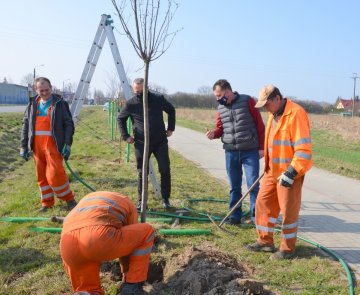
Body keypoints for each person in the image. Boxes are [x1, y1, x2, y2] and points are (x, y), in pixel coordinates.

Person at [246, 85, 312, 260]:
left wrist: (291, 172)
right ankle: (265, 241)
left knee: (288, 212)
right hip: (271, 172)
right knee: (263, 203)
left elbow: (304, 149)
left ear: (277, 99)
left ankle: (287, 249)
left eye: (266, 104)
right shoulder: (272, 114)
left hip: (289, 175)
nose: (265, 108)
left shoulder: (296, 114)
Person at [60, 191, 154, 295]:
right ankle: (132, 286)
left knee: (89, 290)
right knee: (146, 232)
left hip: (67, 245)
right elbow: (129, 248)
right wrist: (127, 275)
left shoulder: (88, 199)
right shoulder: (128, 204)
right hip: (97, 238)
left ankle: (86, 292)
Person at [206, 79, 265, 225]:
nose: (218, 99)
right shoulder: (221, 108)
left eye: (219, 95)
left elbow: (260, 124)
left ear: (228, 91)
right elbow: (221, 128)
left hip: (250, 151)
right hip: (231, 152)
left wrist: (262, 147)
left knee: (253, 185)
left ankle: (255, 217)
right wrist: (214, 134)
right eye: (216, 96)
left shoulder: (247, 101)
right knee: (234, 186)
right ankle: (235, 216)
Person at [20, 77, 76, 212]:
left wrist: (67, 144)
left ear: (51, 88)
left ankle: (69, 199)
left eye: (47, 89)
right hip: (37, 147)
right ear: (36, 90)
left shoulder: (60, 104)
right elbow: (25, 125)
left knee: (55, 174)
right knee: (41, 176)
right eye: (41, 90)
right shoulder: (32, 104)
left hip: (54, 146)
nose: (44, 92)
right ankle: (47, 203)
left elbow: (69, 124)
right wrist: (23, 146)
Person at [118, 78, 176, 209]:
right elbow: (121, 118)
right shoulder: (130, 104)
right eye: (136, 91)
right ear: (134, 90)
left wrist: (171, 128)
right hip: (141, 142)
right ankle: (141, 201)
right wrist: (126, 136)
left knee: (165, 169)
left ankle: (166, 199)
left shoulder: (158, 98)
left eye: (141, 90)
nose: (139, 93)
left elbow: (171, 110)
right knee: (142, 172)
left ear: (146, 88)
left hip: (160, 141)